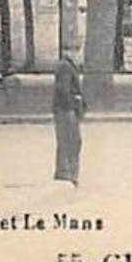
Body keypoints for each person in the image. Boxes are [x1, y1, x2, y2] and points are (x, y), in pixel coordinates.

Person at [52, 53, 85, 185]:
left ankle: (66, 171)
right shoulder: (66, 67)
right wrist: (74, 102)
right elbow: (63, 89)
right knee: (71, 140)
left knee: (69, 140)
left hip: (65, 109)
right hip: (66, 109)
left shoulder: (67, 66)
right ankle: (67, 172)